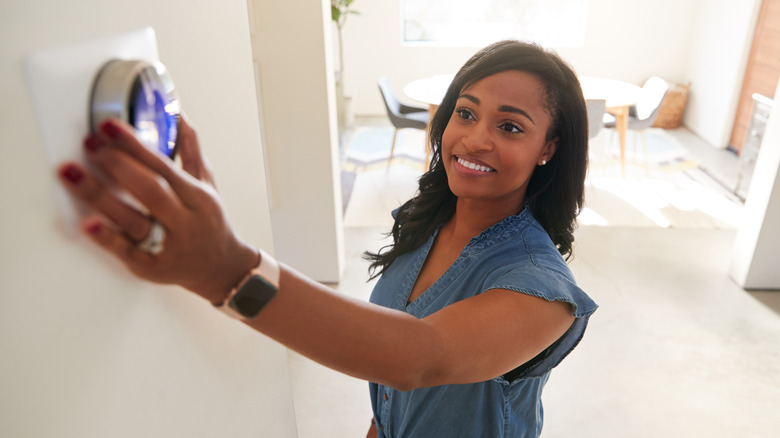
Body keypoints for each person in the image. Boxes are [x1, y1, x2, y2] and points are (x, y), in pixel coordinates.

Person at [57, 40, 597, 437]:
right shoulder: (428, 225)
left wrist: (227, 269)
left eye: (510, 127)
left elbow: (416, 358)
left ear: (548, 148)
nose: (474, 139)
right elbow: (389, 385)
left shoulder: (542, 291)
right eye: (466, 112)